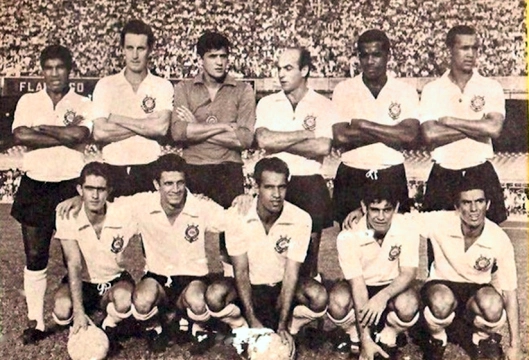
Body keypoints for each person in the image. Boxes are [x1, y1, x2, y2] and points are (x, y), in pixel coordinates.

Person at [10, 44, 92, 344]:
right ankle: (37, 322)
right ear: (42, 71)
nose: (54, 73)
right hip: (35, 185)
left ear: (70, 70)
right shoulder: (28, 101)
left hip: (70, 186)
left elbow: (80, 135)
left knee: (76, 255)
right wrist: (62, 133)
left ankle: (81, 310)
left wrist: (42, 129)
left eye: (60, 67)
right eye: (49, 68)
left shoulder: (83, 102)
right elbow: (20, 134)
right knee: (35, 255)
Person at [205, 157, 328, 353]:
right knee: (214, 295)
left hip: (282, 288)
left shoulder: (300, 218)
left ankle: (291, 329)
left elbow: (291, 274)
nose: (276, 194)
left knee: (319, 296)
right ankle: (242, 327)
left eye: (282, 187)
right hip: (250, 288)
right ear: (256, 187)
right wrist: (253, 320)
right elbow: (241, 272)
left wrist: (281, 323)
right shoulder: (237, 216)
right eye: (269, 187)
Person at [170, 31, 256, 276]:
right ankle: (188, 294)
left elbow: (245, 138)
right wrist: (223, 127)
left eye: (224, 56)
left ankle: (231, 293)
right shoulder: (184, 88)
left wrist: (196, 126)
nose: (219, 62)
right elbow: (178, 133)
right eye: (212, 56)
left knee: (231, 242)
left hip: (228, 169)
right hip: (193, 168)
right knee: (188, 236)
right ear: (200, 59)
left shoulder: (242, 90)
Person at [254, 47, 340, 279]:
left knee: (308, 260)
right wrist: (303, 133)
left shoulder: (323, 104)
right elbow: (263, 140)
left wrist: (278, 140)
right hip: (276, 182)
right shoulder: (267, 103)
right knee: (272, 252)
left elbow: (322, 147)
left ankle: (307, 310)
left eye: (288, 68)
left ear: (304, 70)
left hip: (309, 185)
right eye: (279, 68)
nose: (281, 74)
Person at [419, 174, 520, 360]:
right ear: (457, 207)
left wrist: (515, 345)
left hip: (475, 291)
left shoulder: (498, 238)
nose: (474, 209)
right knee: (441, 301)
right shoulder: (440, 221)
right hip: (442, 285)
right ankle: (437, 339)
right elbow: (402, 221)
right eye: (466, 203)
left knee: (493, 304)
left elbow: (510, 292)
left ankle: (480, 338)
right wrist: (362, 214)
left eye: (479, 201)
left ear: (488, 204)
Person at [419, 25, 507, 224]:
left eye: (475, 48)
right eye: (464, 48)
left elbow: (494, 129)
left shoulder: (491, 87)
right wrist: (478, 126)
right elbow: (430, 134)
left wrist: (451, 121)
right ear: (449, 50)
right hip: (443, 174)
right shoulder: (432, 89)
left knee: (485, 247)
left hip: (480, 171)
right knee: (440, 245)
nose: (471, 54)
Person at [331, 29, 420, 225]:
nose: (370, 61)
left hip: (390, 173)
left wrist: (363, 124)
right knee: (352, 240)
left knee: (394, 242)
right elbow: (341, 136)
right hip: (353, 173)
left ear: (388, 55)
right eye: (364, 55)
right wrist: (391, 132)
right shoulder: (344, 89)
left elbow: (410, 135)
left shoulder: (404, 91)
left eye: (376, 55)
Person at [328, 184, 420, 360]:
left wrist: (382, 297)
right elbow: (357, 285)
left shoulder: (407, 227)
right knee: (337, 301)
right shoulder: (348, 236)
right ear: (363, 207)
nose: (381, 216)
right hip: (361, 286)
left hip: (391, 288)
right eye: (374, 209)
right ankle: (355, 334)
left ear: (397, 207)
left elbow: (408, 273)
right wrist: (365, 340)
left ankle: (389, 333)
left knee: (409, 303)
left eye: (387, 210)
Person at [52, 162, 136, 353]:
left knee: (124, 300)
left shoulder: (123, 213)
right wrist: (78, 312)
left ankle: (109, 323)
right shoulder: (67, 215)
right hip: (83, 281)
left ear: (109, 191)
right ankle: (82, 318)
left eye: (100, 189)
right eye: (89, 188)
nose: (95, 195)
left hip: (114, 279)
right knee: (62, 309)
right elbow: (73, 264)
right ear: (79, 189)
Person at [91, 19, 173, 197]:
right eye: (130, 48)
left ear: (150, 50)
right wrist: (144, 125)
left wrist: (117, 118)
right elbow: (99, 133)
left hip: (149, 168)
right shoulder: (106, 85)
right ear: (122, 49)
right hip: (113, 169)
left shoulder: (162, 85)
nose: (135, 55)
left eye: (141, 48)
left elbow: (161, 129)